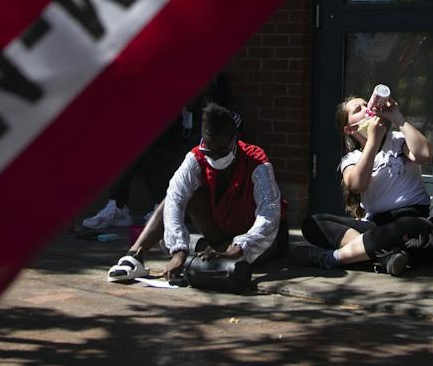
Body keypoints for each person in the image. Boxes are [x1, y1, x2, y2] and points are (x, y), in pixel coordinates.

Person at [107, 103, 286, 282]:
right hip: (221, 231)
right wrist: (178, 251)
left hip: (261, 239)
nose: (215, 157)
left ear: (235, 140)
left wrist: (239, 249)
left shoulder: (257, 163)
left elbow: (268, 216)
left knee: (234, 265)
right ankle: (134, 256)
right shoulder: (195, 158)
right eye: (209, 151)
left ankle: (217, 250)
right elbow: (175, 200)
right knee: (172, 197)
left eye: (221, 152)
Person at [294, 91, 433, 276]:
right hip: (377, 226)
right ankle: (384, 258)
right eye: (358, 109)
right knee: (313, 223)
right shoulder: (351, 158)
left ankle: (330, 259)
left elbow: (425, 155)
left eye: (366, 104)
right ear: (350, 129)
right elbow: (357, 185)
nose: (366, 109)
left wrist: (397, 115)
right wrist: (373, 141)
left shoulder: (398, 140)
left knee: (412, 228)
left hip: (414, 224)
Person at [83, 75, 232, 232]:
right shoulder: (180, 113)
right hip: (172, 164)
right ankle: (118, 206)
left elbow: (199, 152)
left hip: (191, 173)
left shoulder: (211, 118)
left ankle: (153, 208)